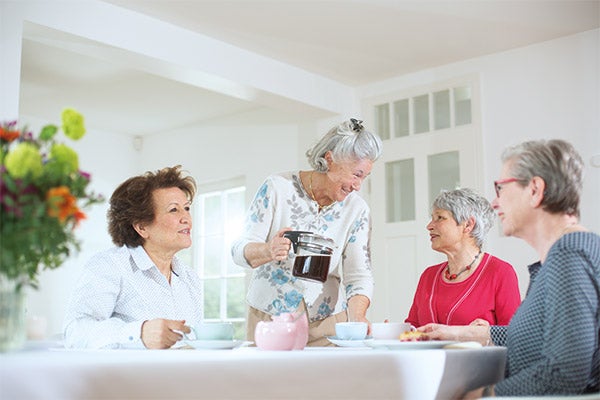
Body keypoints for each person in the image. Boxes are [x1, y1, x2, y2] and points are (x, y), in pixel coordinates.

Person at [420, 139, 599, 396]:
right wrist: (464, 333)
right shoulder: (564, 255)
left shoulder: (569, 255)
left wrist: (484, 394)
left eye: (501, 188)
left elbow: (565, 373)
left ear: (535, 190)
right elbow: (540, 339)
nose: (494, 203)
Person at [231, 118, 383, 346]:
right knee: (266, 382)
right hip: (270, 319)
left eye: (364, 177)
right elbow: (238, 250)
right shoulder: (277, 187)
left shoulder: (357, 209)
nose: (358, 185)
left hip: (327, 323)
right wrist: (267, 249)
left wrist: (358, 316)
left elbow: (359, 274)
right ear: (330, 159)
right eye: (356, 174)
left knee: (328, 383)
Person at [63, 165, 203, 349]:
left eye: (186, 208)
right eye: (174, 210)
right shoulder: (109, 266)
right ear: (142, 227)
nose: (186, 218)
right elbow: (76, 332)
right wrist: (140, 333)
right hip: (127, 378)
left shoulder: (190, 279)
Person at [405, 188, 521, 327]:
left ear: (468, 225)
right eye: (432, 219)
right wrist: (392, 332)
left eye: (440, 218)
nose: (429, 226)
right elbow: (413, 327)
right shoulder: (428, 276)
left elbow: (513, 336)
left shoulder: (500, 272)